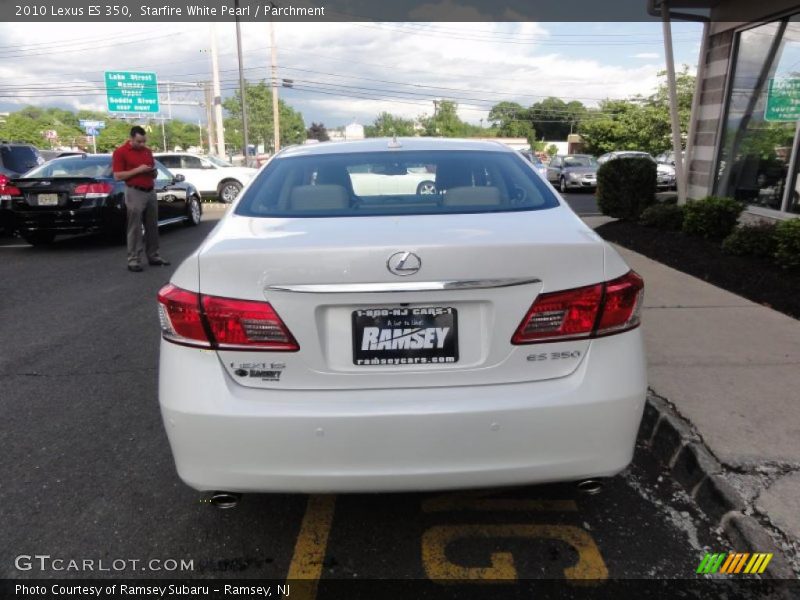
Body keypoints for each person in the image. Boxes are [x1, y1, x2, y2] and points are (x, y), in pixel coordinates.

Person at [112, 126, 170, 272]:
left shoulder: (147, 151)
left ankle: (154, 256)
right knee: (135, 227)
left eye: (144, 141)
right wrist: (139, 170)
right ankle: (133, 260)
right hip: (134, 191)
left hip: (150, 190)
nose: (142, 144)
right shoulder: (120, 152)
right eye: (139, 141)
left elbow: (153, 171)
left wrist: (153, 172)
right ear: (131, 138)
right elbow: (117, 176)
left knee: (152, 226)